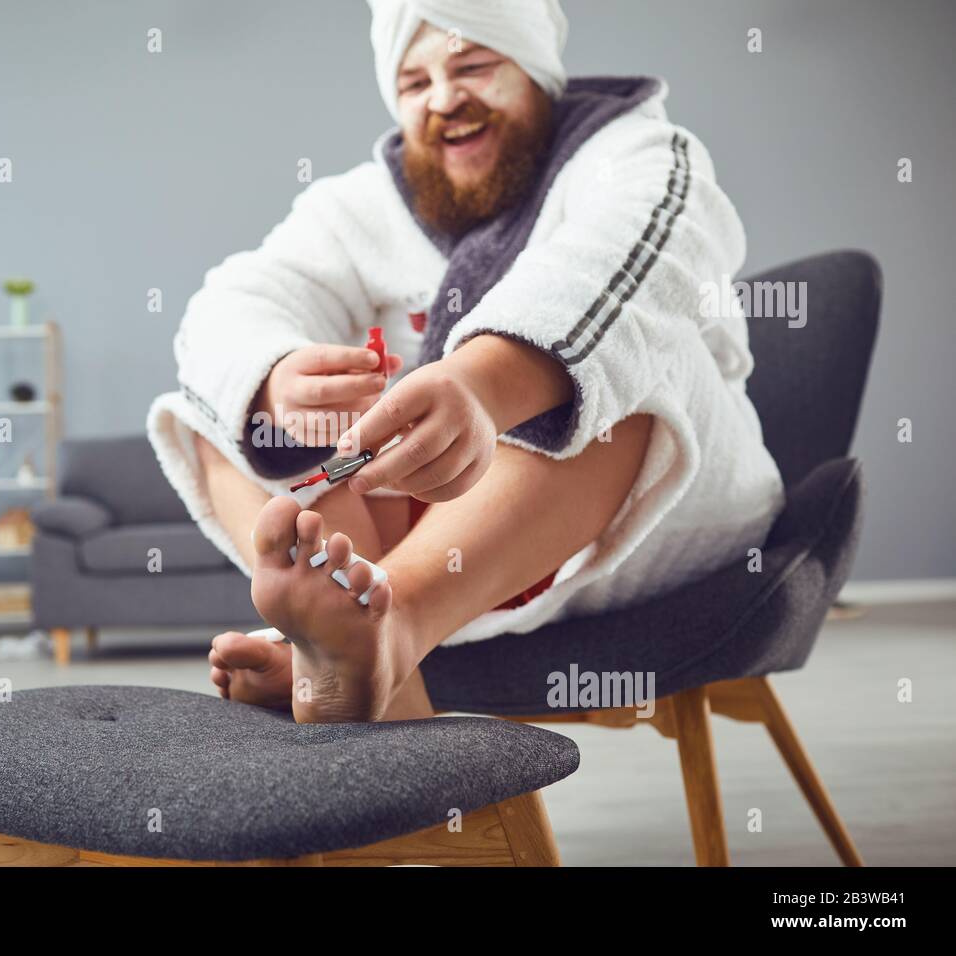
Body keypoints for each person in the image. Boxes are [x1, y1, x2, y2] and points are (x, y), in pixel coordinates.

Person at [147, 0, 783, 723]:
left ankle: (395, 622)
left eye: (475, 66)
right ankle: (362, 643)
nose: (445, 99)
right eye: (415, 84)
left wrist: (483, 385)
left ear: (537, 73)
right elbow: (239, 298)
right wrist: (278, 384)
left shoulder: (641, 155)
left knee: (614, 362)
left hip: (650, 521)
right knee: (220, 408)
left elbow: (629, 260)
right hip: (427, 525)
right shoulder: (359, 207)